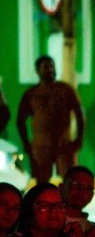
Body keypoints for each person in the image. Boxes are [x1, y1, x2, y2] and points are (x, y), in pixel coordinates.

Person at [16, 55, 85, 184]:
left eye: (52, 66)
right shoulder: (31, 93)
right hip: (41, 146)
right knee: (42, 183)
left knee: (70, 181)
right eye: (46, 67)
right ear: (38, 71)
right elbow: (20, 120)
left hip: (64, 145)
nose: (50, 70)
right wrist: (26, 143)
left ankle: (68, 205)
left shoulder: (65, 89)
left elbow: (80, 113)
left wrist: (79, 137)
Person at [60, 166, 95, 237]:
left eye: (88, 188)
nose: (81, 192)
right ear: (61, 187)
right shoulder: (51, 222)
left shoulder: (90, 227)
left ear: (92, 195)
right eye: (75, 185)